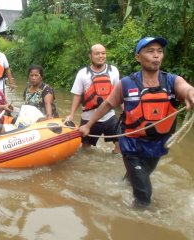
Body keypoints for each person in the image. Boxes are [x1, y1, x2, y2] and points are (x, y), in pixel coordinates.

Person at [79, 37, 194, 207]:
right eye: (150, 51)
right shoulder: (125, 84)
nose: (156, 55)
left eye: (159, 51)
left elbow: (186, 88)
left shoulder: (171, 81)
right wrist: (88, 125)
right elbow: (108, 104)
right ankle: (139, 221)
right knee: (144, 194)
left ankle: (123, 184)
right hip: (131, 145)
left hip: (157, 145)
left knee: (139, 177)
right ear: (138, 57)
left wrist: (191, 92)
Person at [65, 44, 121, 153]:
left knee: (120, 145)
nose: (101, 56)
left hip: (109, 117)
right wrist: (72, 114)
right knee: (85, 149)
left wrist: (128, 111)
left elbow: (118, 93)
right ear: (90, 56)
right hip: (88, 118)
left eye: (103, 53)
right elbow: (77, 95)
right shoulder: (82, 74)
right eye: (97, 53)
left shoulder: (113, 71)